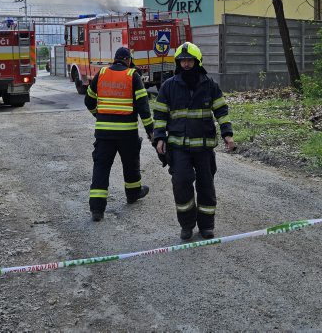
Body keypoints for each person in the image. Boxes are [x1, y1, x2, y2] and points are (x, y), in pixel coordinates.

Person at [153, 42, 235, 241]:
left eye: (190, 60)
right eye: (182, 61)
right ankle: (187, 225)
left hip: (204, 147)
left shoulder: (210, 85)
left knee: (206, 185)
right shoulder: (169, 86)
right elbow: (160, 114)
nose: (186, 64)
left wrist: (227, 134)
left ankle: (206, 226)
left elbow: (221, 111)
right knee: (181, 183)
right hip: (178, 147)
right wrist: (159, 137)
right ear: (178, 63)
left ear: (198, 62)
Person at [84, 46, 154, 221]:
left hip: (104, 133)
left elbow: (88, 100)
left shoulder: (101, 73)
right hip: (127, 133)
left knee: (101, 168)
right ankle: (133, 194)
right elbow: (144, 108)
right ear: (128, 60)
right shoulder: (133, 76)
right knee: (130, 164)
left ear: (114, 59)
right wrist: (151, 132)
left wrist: (98, 115)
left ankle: (97, 210)